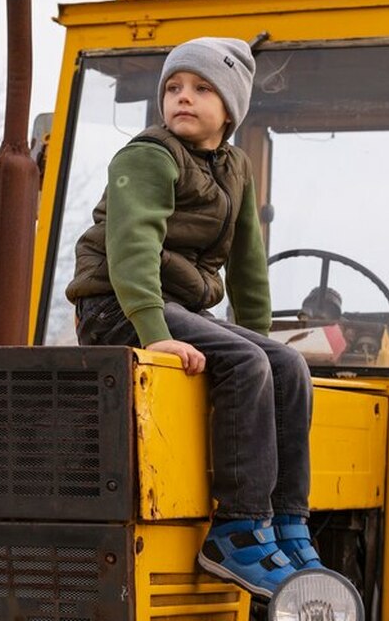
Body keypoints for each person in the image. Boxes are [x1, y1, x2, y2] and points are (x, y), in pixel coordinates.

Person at [65, 37, 323, 598]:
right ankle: (235, 531)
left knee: (285, 366)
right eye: (174, 87)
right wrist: (154, 335)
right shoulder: (148, 155)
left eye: (202, 89)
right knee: (247, 363)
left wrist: (261, 342)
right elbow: (130, 249)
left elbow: (250, 267)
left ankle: (287, 520)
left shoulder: (235, 167)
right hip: (116, 304)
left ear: (229, 109)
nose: (183, 97)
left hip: (173, 305)